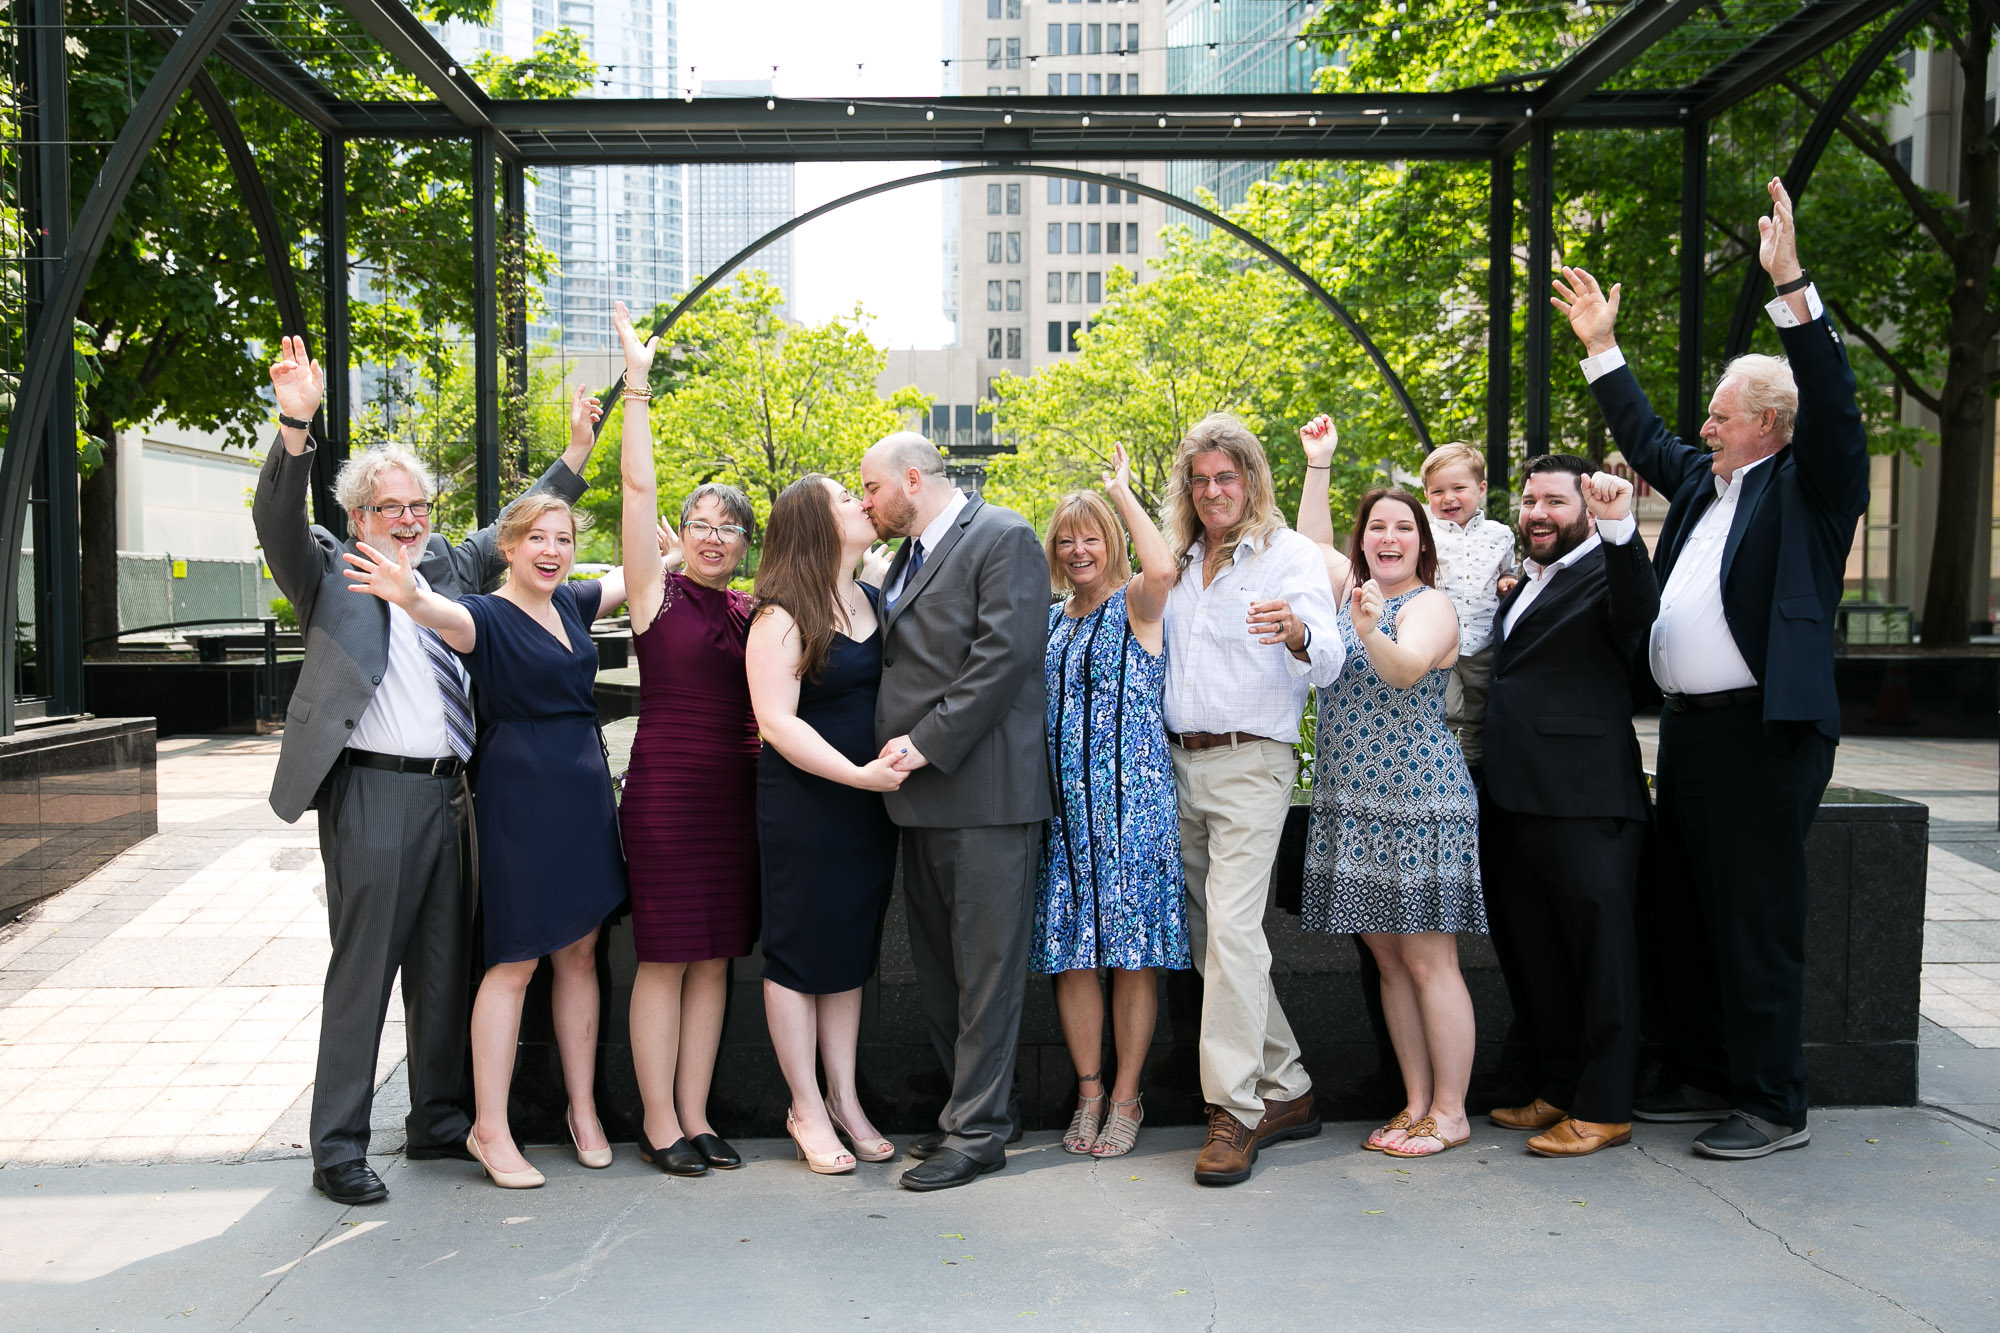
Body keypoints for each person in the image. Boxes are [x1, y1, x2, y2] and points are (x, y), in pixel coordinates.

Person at [1552, 177, 1869, 1159]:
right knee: (1682, 910)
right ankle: (1702, 1070)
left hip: (1762, 734)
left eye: (1723, 417)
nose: (1704, 429)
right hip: (1688, 731)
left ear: (1768, 423)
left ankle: (1771, 1102)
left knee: (1752, 918)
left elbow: (1832, 403)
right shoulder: (1703, 483)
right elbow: (1645, 436)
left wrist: (1791, 290)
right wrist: (1600, 345)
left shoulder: (1812, 483)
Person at [254, 336, 595, 1207]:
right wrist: (296, 420)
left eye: (418, 504)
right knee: (364, 970)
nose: (407, 518)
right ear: (359, 516)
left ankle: (439, 1118)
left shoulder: (445, 567)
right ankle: (337, 1146)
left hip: (456, 794)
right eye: (388, 506)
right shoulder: (328, 569)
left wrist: (577, 456)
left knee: (446, 965)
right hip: (372, 789)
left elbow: (518, 526)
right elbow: (276, 520)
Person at [344, 495, 627, 1188]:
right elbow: (440, 615)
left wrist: (679, 551)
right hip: (521, 800)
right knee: (517, 959)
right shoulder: (485, 614)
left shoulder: (571, 603)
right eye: (537, 537)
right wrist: (410, 594)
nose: (552, 550)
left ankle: (584, 1109)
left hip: (584, 797)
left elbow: (633, 577)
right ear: (509, 544)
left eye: (562, 538)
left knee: (582, 951)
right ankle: (490, 1127)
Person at [860, 432, 1051, 1193]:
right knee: (942, 974)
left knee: (988, 974)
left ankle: (978, 1131)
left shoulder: (1003, 535)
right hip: (921, 801)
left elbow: (1003, 657)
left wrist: (925, 743)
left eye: (871, 487)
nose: (867, 499)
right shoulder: (903, 560)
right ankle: (962, 1113)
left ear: (912, 477)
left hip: (986, 796)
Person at [1159, 413, 1344, 1188]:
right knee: (1216, 941)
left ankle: (1234, 1111)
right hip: (1177, 766)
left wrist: (1299, 630)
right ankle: (1290, 1087)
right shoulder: (1176, 560)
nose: (1211, 492)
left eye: (1225, 477)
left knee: (1233, 932)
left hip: (1252, 764)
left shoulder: (1288, 557)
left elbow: (1330, 657)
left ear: (1252, 480)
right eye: (1199, 479)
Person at [609, 301, 759, 1178]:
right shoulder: (653, 596)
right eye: (698, 522)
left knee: (715, 962)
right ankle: (658, 1121)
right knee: (665, 959)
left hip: (736, 801)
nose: (709, 535)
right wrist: (639, 386)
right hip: (667, 798)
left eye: (726, 526)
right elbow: (636, 493)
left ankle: (697, 1115)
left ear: (743, 544)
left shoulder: (755, 610)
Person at [1480, 456, 1660, 1158]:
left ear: (1586, 507)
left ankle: (1607, 1105)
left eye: (1555, 500)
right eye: (1529, 501)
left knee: (1603, 958)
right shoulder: (1528, 578)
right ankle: (1558, 1085)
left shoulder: (1609, 567)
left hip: (1588, 800)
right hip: (1517, 797)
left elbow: (1636, 610)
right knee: (1539, 954)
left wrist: (1623, 530)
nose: (1538, 513)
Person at [1298, 486, 1484, 1160]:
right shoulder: (1349, 591)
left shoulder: (1429, 603)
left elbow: (1405, 670)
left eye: (1403, 526)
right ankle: (1415, 1101)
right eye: (1376, 525)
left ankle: (1452, 1110)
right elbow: (1309, 544)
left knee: (1430, 960)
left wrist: (1372, 627)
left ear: (1422, 543)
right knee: (1390, 960)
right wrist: (1318, 462)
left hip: (1419, 800)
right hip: (1355, 799)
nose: (1388, 536)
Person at [745, 474, 908, 1176]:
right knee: (798, 954)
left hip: (868, 806)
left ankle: (844, 1095)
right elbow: (776, 722)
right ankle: (805, 1104)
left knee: (847, 952)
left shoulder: (871, 595)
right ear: (814, 524)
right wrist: (858, 774)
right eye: (847, 499)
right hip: (809, 805)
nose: (861, 504)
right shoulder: (780, 614)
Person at [1031, 447, 1189, 1162]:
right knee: (1071, 957)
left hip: (1132, 811)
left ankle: (1127, 1096)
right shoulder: (1053, 619)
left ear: (1113, 541)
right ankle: (1089, 1090)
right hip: (1067, 817)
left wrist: (1122, 493)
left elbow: (1162, 568)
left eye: (1090, 536)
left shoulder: (1138, 602)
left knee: (1132, 957)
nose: (1078, 548)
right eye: (1066, 539)